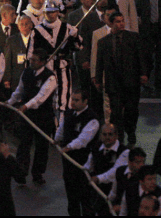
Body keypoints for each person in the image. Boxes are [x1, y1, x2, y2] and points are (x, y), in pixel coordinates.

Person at [95, 12, 148, 146]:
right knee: (116, 113)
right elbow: (99, 62)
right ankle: (120, 136)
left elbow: (141, 57)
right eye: (118, 21)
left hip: (131, 81)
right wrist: (98, 80)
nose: (121, 24)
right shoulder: (103, 42)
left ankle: (131, 132)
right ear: (112, 24)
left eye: (123, 21)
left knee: (131, 110)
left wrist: (143, 73)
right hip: (114, 83)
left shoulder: (133, 38)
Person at [6, 49, 56, 185]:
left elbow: (41, 97)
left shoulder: (50, 78)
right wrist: (9, 102)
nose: (31, 62)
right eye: (31, 59)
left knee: (41, 146)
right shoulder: (26, 72)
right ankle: (21, 172)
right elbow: (19, 91)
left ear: (42, 62)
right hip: (27, 115)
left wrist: (26, 106)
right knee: (24, 144)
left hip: (43, 116)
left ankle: (38, 174)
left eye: (34, 60)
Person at [32, 0, 82, 119]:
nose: (52, 15)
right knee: (45, 99)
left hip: (62, 68)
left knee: (63, 100)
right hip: (45, 69)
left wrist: (75, 36)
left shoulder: (67, 28)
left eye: (54, 12)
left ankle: (62, 127)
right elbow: (31, 53)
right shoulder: (37, 30)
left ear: (58, 12)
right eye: (49, 12)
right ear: (44, 13)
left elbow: (79, 46)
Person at [54, 89, 100, 217]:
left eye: (76, 100)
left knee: (85, 196)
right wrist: (56, 140)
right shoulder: (68, 114)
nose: (73, 103)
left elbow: (83, 140)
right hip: (69, 162)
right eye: (72, 99)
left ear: (85, 101)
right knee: (71, 196)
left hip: (84, 163)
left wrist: (68, 147)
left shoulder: (92, 119)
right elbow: (62, 129)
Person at [84, 123, 129, 215]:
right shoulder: (95, 149)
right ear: (100, 136)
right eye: (104, 134)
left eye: (110, 134)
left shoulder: (124, 152)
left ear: (116, 135)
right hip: (98, 193)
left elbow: (115, 172)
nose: (107, 137)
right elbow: (88, 166)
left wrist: (98, 178)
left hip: (115, 193)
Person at [109, 147, 147, 215]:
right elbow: (114, 192)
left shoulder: (143, 178)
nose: (141, 165)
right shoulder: (120, 171)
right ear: (130, 162)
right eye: (138, 162)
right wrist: (109, 204)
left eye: (143, 162)